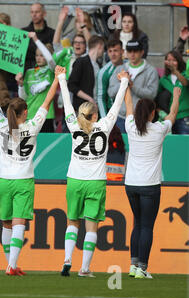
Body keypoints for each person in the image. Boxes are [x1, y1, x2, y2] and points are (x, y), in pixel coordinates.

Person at [0, 59, 62, 275]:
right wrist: (56, 79)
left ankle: (10, 264)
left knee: (6, 223)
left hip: (3, 180)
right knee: (19, 223)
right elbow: (46, 103)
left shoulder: (1, 125)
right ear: (25, 112)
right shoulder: (33, 127)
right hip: (23, 180)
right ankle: (12, 265)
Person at [57, 66, 130, 277]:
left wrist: (62, 78)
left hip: (74, 180)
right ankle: (85, 268)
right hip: (96, 182)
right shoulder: (105, 126)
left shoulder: (74, 126)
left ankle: (67, 258)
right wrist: (124, 82)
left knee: (72, 221)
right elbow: (116, 107)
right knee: (92, 227)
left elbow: (67, 102)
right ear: (95, 114)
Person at [124, 83, 181, 279]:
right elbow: (172, 115)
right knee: (147, 226)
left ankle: (133, 266)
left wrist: (127, 86)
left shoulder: (130, 126)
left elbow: (128, 105)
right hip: (149, 185)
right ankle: (142, 268)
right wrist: (176, 96)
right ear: (152, 114)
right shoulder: (158, 129)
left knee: (137, 224)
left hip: (130, 185)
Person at [108, 40, 159, 133]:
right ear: (126, 52)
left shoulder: (151, 71)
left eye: (135, 51)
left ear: (142, 52)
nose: (132, 54)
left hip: (142, 118)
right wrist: (124, 82)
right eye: (129, 51)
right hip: (121, 117)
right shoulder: (119, 69)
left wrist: (132, 86)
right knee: (121, 147)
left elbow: (152, 95)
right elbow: (110, 93)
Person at [16, 32, 56, 132]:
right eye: (37, 55)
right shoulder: (29, 72)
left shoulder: (51, 71)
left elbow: (50, 59)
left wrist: (36, 40)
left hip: (46, 115)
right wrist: (20, 85)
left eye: (42, 55)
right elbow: (23, 98)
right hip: (30, 115)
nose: (38, 58)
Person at [156, 51, 189, 135]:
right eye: (168, 60)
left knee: (185, 145)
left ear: (179, 61)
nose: (171, 63)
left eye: (174, 60)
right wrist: (162, 114)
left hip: (185, 117)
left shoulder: (185, 74)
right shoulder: (163, 79)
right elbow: (157, 99)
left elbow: (185, 83)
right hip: (170, 118)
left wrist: (175, 71)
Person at [22, 3, 55, 71]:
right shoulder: (24, 32)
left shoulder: (52, 33)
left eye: (37, 12)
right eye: (32, 12)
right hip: (27, 72)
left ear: (44, 13)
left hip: (46, 73)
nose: (34, 15)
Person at [96, 39, 124, 118]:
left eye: (115, 50)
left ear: (122, 51)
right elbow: (101, 98)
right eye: (110, 51)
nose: (113, 54)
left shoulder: (129, 66)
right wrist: (105, 120)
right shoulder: (103, 72)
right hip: (113, 115)